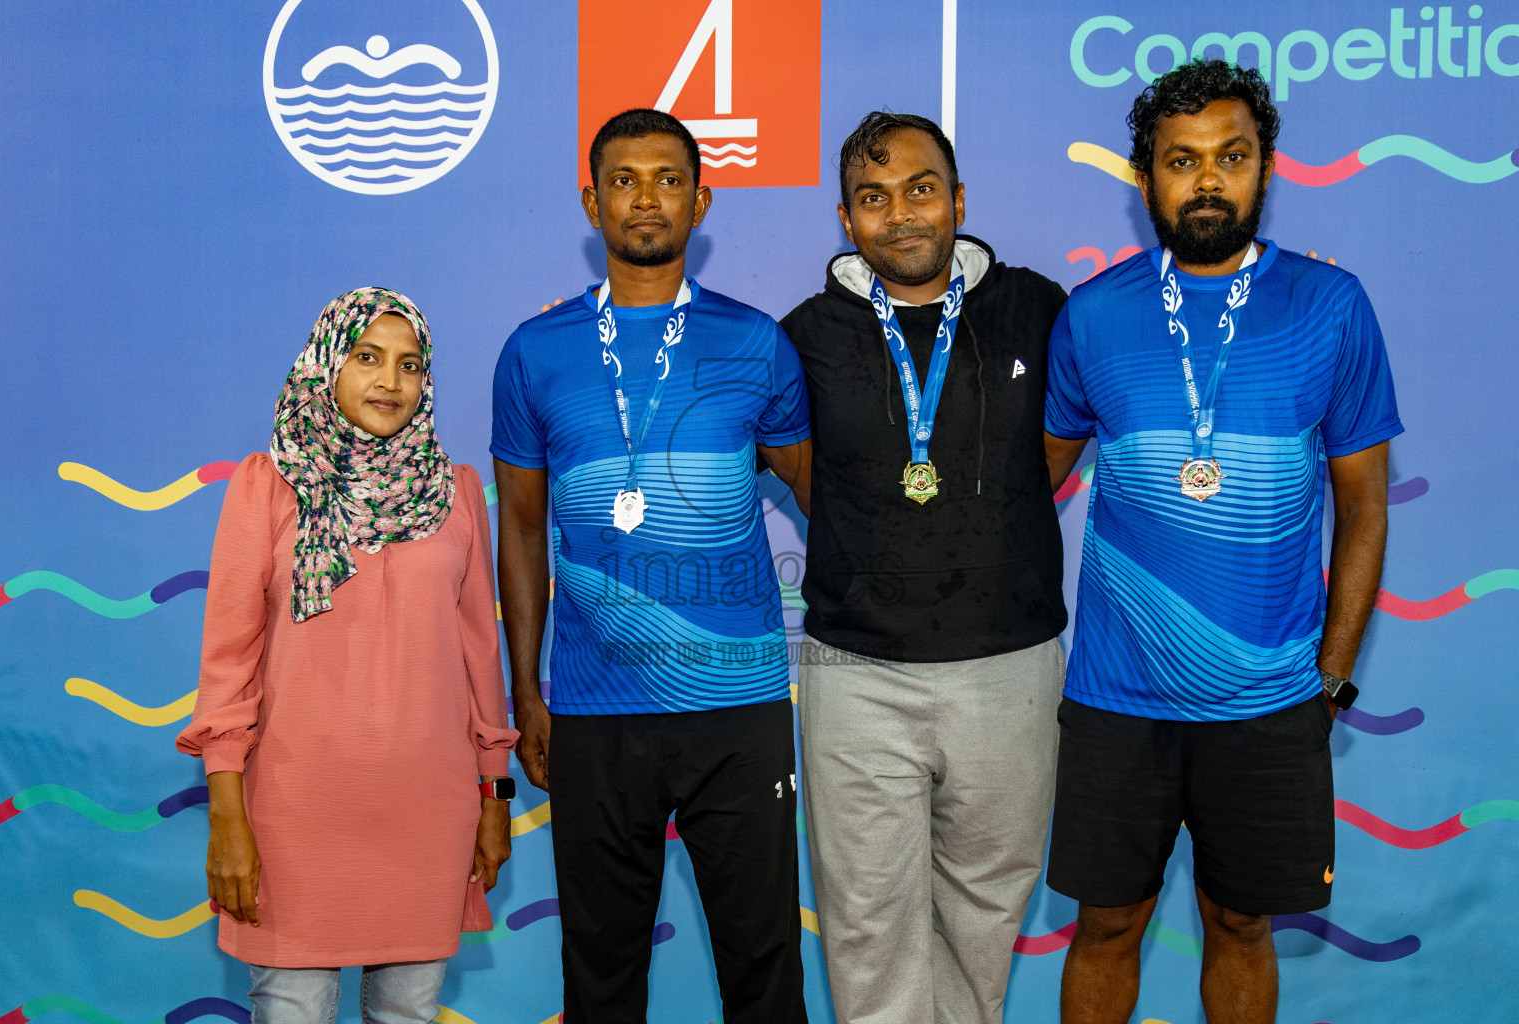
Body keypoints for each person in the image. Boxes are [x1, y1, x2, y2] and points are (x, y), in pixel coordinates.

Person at [1042, 60, 1401, 1024]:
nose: (1207, 181)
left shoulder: (1332, 308)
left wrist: (1329, 679)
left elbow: (1365, 508)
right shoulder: (1093, 314)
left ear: (1266, 168)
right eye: (1181, 161)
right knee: (1106, 930)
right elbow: (1026, 492)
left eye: (1231, 157)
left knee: (1240, 926)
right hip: (1118, 703)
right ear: (1144, 177)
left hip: (1272, 701)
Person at [490, 108, 812, 1024]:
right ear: (592, 201)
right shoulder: (533, 351)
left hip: (737, 710)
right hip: (593, 713)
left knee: (764, 970)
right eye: (624, 179)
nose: (646, 197)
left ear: (701, 200)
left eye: (668, 178)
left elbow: (830, 503)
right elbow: (519, 529)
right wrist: (528, 692)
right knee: (600, 975)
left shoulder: (757, 342)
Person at [779, 111, 1070, 1024]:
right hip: (855, 674)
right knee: (867, 924)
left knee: (985, 916)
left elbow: (1049, 463)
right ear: (845, 217)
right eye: (874, 198)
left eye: (920, 189)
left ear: (957, 200)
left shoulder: (1037, 308)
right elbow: (785, 469)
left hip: (1011, 667)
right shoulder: (804, 335)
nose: (900, 214)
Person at [177, 288, 518, 1024]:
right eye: (367, 358)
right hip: (293, 818)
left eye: (410, 365)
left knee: (408, 1014)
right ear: (326, 364)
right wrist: (226, 817)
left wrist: (496, 797)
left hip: (430, 813)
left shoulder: (455, 495)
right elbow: (228, 666)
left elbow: (479, 660)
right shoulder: (267, 487)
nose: (390, 382)